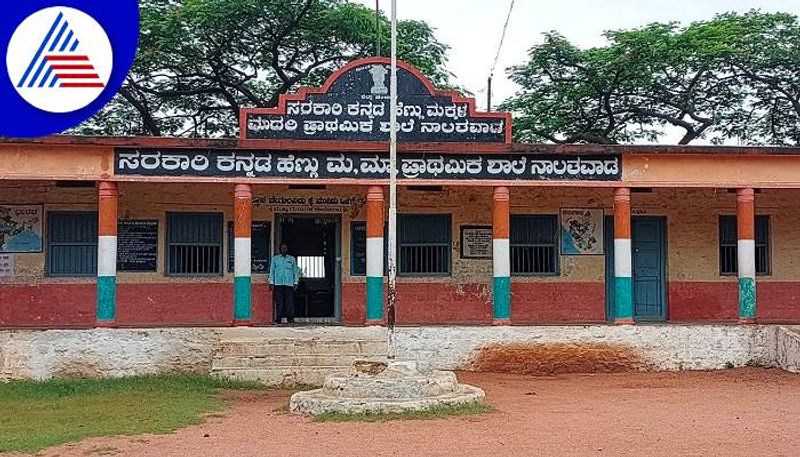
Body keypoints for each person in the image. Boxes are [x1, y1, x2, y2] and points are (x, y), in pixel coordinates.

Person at [269, 242, 301, 324]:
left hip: (289, 284)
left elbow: (295, 271)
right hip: (278, 284)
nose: (284, 249)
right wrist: (271, 282)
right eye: (282, 248)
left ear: (287, 249)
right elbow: (272, 271)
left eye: (285, 248)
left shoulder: (292, 259)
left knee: (289, 302)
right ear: (279, 249)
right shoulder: (275, 259)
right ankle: (278, 319)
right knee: (279, 302)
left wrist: (296, 282)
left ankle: (290, 319)